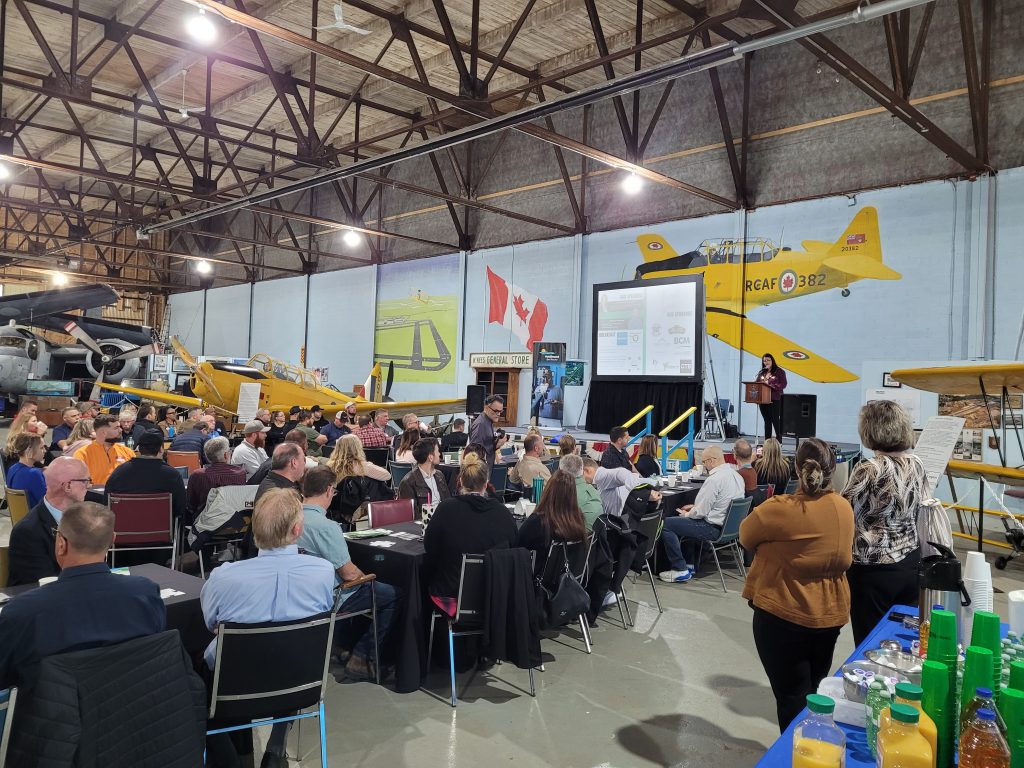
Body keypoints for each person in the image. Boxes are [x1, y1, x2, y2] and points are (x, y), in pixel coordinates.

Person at [201, 488, 334, 768]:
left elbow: (210, 623)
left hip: (233, 684)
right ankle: (276, 747)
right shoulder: (323, 571)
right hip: (302, 680)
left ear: (254, 529)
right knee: (290, 648)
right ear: (298, 530)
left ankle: (230, 754)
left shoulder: (223, 578)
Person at [740, 437, 854, 731]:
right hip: (829, 615)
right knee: (812, 690)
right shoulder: (843, 507)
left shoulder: (780, 507)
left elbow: (746, 536)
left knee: (791, 698)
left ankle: (796, 753)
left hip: (783, 613)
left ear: (796, 468)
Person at [0, 501, 165, 696]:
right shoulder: (145, 592)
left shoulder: (21, 612)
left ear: (61, 543)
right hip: (134, 709)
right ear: (112, 540)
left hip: (51, 719)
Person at [298, 466, 398, 680]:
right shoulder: (326, 527)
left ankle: (342, 646)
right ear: (328, 490)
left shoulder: (289, 518)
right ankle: (363, 658)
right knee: (392, 595)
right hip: (330, 596)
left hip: (300, 594)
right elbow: (350, 575)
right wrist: (368, 577)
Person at [842, 400, 928, 645]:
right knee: (902, 639)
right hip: (910, 562)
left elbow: (841, 509)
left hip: (873, 567)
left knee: (870, 642)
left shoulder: (869, 469)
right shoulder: (917, 463)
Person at [422, 452, 517, 606]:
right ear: (486, 484)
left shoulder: (446, 509)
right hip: (494, 595)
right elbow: (513, 548)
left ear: (460, 481)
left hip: (451, 594)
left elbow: (430, 547)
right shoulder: (503, 513)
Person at [659, 445, 745, 584]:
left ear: (711, 461)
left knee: (667, 524)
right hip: (730, 528)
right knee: (689, 522)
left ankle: (680, 568)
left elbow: (700, 513)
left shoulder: (714, 480)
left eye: (704, 462)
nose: (704, 465)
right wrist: (694, 508)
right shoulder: (737, 476)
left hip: (712, 528)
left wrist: (687, 514)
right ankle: (689, 565)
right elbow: (721, 502)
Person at [8, 457, 91, 585]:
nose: (89, 486)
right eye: (86, 481)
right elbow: (43, 585)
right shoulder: (28, 532)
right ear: (68, 486)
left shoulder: (86, 519)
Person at [106, 428, 187, 524]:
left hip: (124, 531)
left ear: (139, 449)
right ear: (161, 449)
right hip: (160, 531)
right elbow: (180, 508)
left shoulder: (119, 472)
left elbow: (107, 503)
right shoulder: (172, 475)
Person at [516, 470, 587, 576]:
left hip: (536, 584)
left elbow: (517, 550)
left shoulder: (537, 522)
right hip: (567, 583)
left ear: (548, 491)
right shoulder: (578, 519)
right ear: (573, 494)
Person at [187, 436, 247, 517]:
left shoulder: (197, 475)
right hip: (233, 522)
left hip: (204, 522)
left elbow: (191, 503)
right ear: (226, 455)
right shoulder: (240, 473)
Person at [73, 413, 135, 485]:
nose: (120, 430)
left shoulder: (127, 452)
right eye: (116, 428)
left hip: (122, 494)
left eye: (119, 427)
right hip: (94, 494)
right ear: (103, 432)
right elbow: (78, 482)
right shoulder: (83, 454)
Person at [398, 437, 450, 516]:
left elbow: (448, 502)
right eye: (437, 451)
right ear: (430, 457)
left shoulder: (439, 475)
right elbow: (411, 516)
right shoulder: (408, 483)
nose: (440, 454)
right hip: (425, 523)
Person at [560, 453, 603, 530]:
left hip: (575, 538)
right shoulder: (594, 491)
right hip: (593, 538)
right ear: (583, 471)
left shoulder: (564, 491)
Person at [6, 433, 47, 508]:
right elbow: (46, 503)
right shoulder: (34, 474)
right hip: (36, 517)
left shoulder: (12, 469)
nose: (45, 451)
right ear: (29, 450)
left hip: (21, 517)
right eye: (41, 448)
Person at [468, 395, 508, 467]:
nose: (498, 414)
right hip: (480, 472)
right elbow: (475, 453)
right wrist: (497, 445)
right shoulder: (480, 424)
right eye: (496, 411)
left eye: (500, 411)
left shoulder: (488, 421)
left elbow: (485, 447)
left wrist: (496, 445)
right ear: (486, 407)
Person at [756, 353, 788, 440]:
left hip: (775, 399)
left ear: (772, 361)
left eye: (768, 360)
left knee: (775, 420)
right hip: (763, 399)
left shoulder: (779, 371)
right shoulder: (762, 372)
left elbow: (783, 384)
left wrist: (771, 385)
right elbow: (757, 383)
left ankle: (779, 441)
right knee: (767, 420)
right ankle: (767, 441)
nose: (766, 362)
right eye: (764, 361)